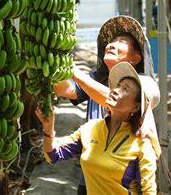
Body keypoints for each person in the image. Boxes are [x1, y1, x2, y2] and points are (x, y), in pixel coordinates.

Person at [53, 15, 155, 193]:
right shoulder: (95, 78)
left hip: (122, 177)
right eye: (112, 40)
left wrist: (75, 71)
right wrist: (54, 61)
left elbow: (111, 100)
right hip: (92, 173)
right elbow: (64, 90)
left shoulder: (142, 85)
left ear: (135, 58)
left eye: (122, 41)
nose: (112, 44)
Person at [36, 62, 161, 194]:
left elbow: (148, 192)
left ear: (136, 107)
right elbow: (52, 155)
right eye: (118, 85)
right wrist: (48, 127)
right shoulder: (91, 129)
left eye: (125, 89)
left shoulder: (142, 146)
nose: (115, 90)